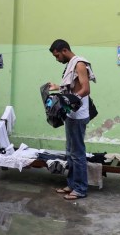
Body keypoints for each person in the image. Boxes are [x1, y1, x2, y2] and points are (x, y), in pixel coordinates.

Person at [48, 39, 96, 200]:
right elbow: (71, 86)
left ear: (64, 50)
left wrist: (71, 99)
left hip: (78, 115)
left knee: (77, 153)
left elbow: (85, 89)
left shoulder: (80, 64)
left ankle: (81, 189)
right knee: (70, 152)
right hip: (70, 114)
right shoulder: (70, 65)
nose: (57, 59)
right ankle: (72, 184)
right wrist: (57, 87)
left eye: (57, 56)